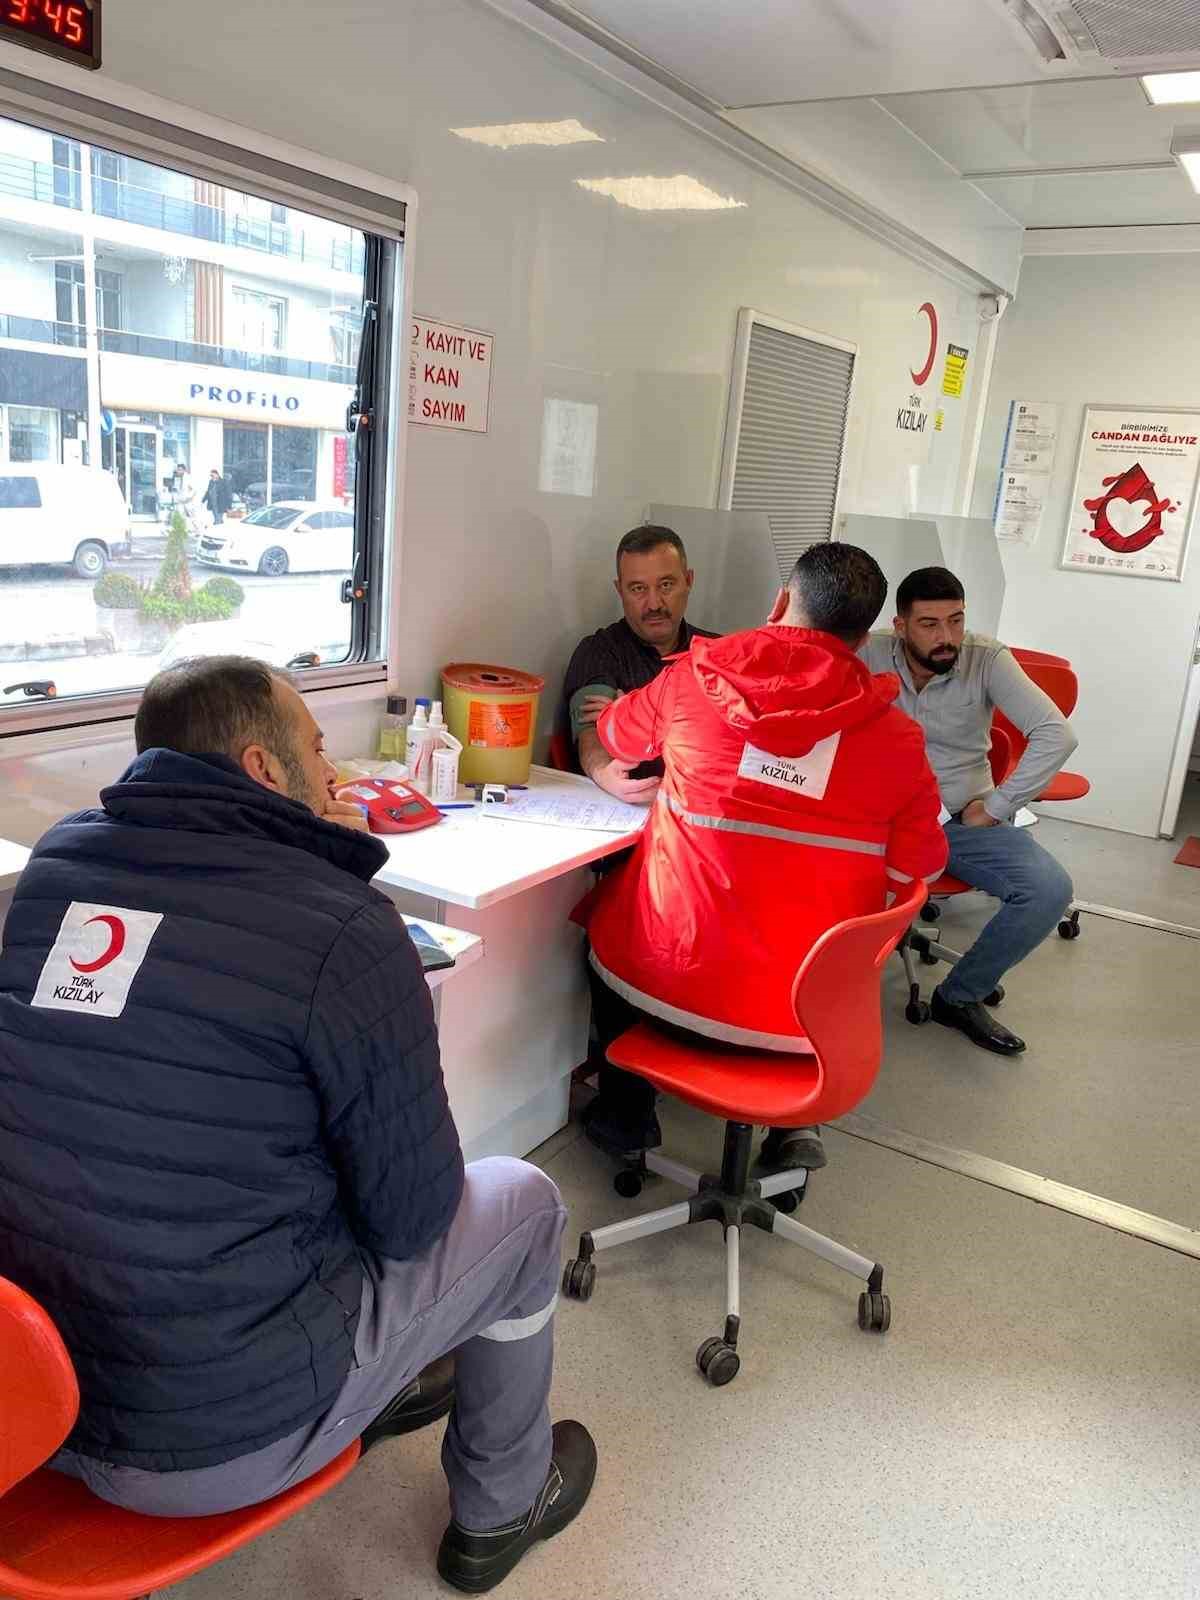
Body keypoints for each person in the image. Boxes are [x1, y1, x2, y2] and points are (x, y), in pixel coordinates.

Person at [0, 656, 595, 1595]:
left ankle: (389, 1381)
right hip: (213, 1438)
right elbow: (412, 1221)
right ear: (264, 768)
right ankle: (503, 1504)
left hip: (31, 1401)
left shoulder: (56, 867)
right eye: (318, 750)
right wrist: (339, 890)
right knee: (522, 1203)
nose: (334, 772)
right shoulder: (345, 927)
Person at [575, 543, 948, 1173]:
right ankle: (793, 1128)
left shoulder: (692, 678)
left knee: (606, 913)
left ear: (780, 603)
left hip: (667, 992)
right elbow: (919, 873)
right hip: (805, 1025)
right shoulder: (899, 740)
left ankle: (626, 1116)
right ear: (864, 639)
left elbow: (615, 736)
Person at [860, 567, 1076, 1056]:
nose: (947, 637)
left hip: (955, 819)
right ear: (900, 626)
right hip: (874, 817)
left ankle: (959, 996)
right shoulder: (867, 652)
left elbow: (1056, 734)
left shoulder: (986, 658)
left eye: (956, 621)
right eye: (929, 624)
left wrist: (997, 808)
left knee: (1048, 889)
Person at [562, 524, 717, 802]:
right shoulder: (600, 651)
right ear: (619, 590)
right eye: (638, 589)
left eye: (666, 585)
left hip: (703, 808)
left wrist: (635, 715)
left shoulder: (717, 654)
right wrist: (604, 772)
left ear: (688, 581)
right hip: (633, 809)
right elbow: (589, 732)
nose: (654, 604)